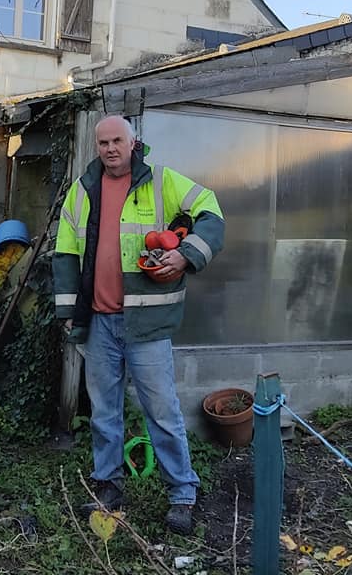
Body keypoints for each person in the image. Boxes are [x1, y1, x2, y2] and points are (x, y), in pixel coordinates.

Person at [52, 115, 224, 535]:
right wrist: (69, 311)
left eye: (117, 141)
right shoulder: (82, 191)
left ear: (134, 142)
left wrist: (186, 254)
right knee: (103, 412)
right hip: (99, 322)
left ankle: (182, 493)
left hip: (147, 323)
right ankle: (108, 483)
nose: (110, 148)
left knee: (162, 412)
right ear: (98, 147)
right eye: (103, 142)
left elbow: (212, 211)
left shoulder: (162, 180)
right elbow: (65, 253)